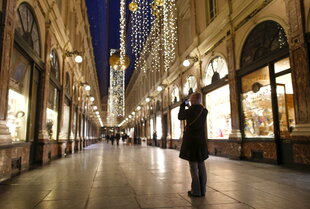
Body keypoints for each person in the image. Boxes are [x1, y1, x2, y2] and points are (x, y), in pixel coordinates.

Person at [178, 92, 208, 198]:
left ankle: (196, 191)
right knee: (202, 165)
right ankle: (203, 190)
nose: (190, 101)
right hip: (201, 142)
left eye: (191, 99)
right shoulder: (205, 111)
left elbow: (180, 116)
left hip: (191, 142)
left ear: (194, 100)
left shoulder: (189, 111)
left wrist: (182, 106)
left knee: (193, 167)